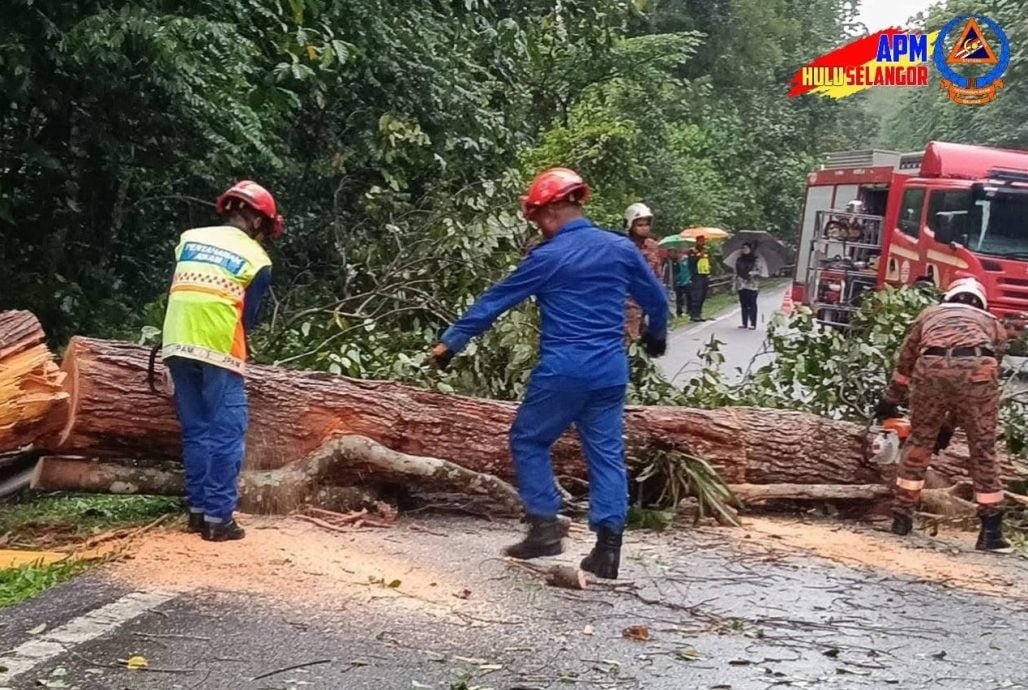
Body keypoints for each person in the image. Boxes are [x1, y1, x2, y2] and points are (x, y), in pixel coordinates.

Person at [427, 168, 669, 579]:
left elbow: (495, 301)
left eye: (538, 217)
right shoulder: (620, 248)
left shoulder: (547, 257)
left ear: (553, 210)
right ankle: (608, 549)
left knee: (528, 438)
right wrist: (655, 335)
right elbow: (656, 300)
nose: (538, 225)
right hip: (611, 369)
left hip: (564, 369)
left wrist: (450, 343)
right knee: (606, 453)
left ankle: (544, 526)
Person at [161, 181, 283, 542]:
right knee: (227, 433)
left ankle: (198, 512)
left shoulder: (190, 238)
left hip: (176, 341)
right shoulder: (258, 259)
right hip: (218, 346)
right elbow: (249, 318)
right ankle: (219, 519)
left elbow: (180, 289)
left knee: (196, 430)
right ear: (258, 221)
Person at [875, 276, 1010, 552]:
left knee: (919, 443)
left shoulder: (929, 315)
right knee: (982, 449)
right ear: (982, 303)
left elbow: (905, 364)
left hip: (930, 368)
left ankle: (901, 519)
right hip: (978, 370)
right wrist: (949, 425)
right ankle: (991, 531)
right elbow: (981, 374)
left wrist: (890, 400)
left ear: (947, 298)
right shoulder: (992, 323)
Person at [624, 202, 664, 340]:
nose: (644, 228)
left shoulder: (652, 246)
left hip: (649, 301)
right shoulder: (623, 246)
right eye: (640, 225)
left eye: (647, 224)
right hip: (628, 303)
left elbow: (657, 273)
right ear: (630, 225)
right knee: (630, 339)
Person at [734, 242, 759, 329]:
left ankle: (753, 323)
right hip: (741, 284)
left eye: (746, 248)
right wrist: (734, 283)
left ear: (750, 249)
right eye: (743, 248)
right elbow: (736, 271)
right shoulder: (739, 259)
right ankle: (744, 323)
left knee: (752, 304)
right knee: (743, 304)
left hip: (752, 285)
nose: (744, 250)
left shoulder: (755, 260)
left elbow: (760, 271)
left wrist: (753, 273)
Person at [687, 235, 711, 322]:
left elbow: (708, 261)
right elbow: (691, 262)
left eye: (703, 240)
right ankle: (694, 314)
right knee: (697, 295)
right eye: (701, 241)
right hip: (697, 276)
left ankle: (699, 313)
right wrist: (699, 256)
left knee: (703, 295)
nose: (703, 242)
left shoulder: (706, 250)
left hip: (705, 274)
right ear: (697, 241)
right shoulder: (692, 251)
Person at [672, 249, 693, 318]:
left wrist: (691, 277)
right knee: (679, 298)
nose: (679, 255)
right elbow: (674, 272)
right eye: (678, 253)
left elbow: (690, 269)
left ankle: (689, 310)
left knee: (689, 296)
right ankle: (679, 311)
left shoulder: (687, 260)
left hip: (687, 280)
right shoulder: (674, 262)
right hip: (678, 281)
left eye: (680, 253)